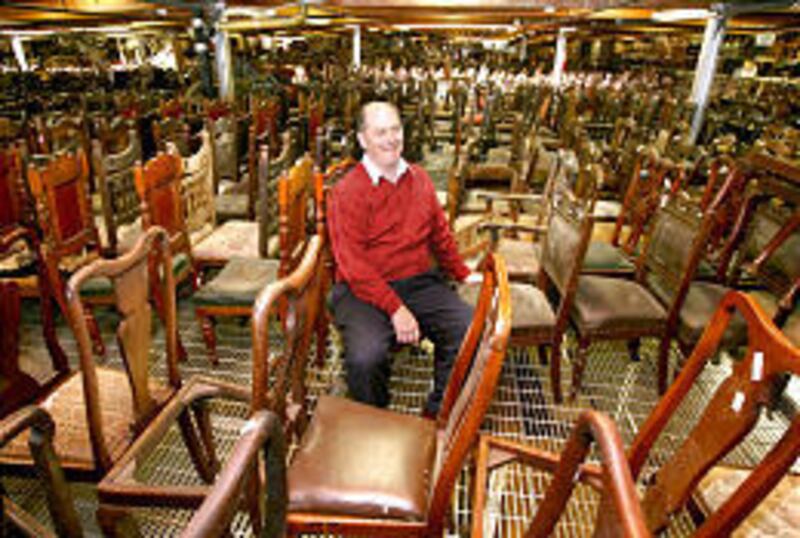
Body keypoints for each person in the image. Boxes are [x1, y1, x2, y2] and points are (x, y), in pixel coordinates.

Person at [328, 101, 475, 417]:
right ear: (362, 139)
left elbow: (440, 235)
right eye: (380, 132)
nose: (391, 139)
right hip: (361, 289)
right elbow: (353, 265)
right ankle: (376, 419)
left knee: (468, 331)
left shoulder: (419, 178)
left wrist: (462, 272)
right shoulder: (347, 191)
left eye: (395, 129)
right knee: (365, 357)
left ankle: (436, 416)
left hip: (418, 281)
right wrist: (396, 309)